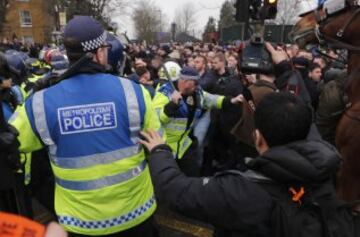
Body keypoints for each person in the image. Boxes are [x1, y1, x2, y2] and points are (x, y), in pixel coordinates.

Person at [9, 16, 161, 237]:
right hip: (137, 216)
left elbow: (11, 141)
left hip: (80, 224)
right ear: (99, 52)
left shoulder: (39, 103)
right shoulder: (135, 93)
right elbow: (158, 144)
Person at [140, 92, 341, 237]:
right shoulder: (329, 172)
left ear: (258, 139)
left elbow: (175, 191)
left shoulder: (238, 192)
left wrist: (160, 151)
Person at [152, 66, 242, 176]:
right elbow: (157, 119)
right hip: (167, 147)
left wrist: (232, 100)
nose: (197, 86)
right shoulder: (164, 93)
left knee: (192, 174)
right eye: (195, 83)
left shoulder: (197, 93)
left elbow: (211, 99)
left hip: (184, 145)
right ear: (185, 82)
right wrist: (172, 105)